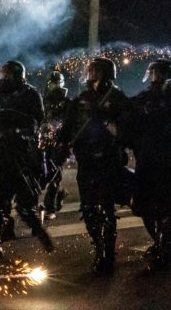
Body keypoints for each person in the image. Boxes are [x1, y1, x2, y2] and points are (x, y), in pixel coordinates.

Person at [59, 57, 131, 274]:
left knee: (106, 208)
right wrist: (61, 144)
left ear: (106, 73)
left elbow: (125, 131)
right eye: (91, 70)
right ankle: (99, 248)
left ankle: (108, 254)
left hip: (108, 158)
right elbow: (69, 125)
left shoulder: (117, 98)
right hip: (86, 159)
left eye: (96, 71)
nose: (92, 74)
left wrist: (106, 119)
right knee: (89, 209)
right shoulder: (81, 99)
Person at [0, 106, 54, 263]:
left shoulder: (3, 115)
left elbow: (32, 123)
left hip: (16, 169)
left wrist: (15, 133)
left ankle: (40, 233)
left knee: (25, 208)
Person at [0, 60, 44, 238]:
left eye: (7, 75)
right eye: (2, 74)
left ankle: (36, 225)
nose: (3, 78)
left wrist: (19, 129)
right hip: (1, 147)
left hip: (23, 149)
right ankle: (6, 227)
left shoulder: (30, 94)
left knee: (25, 193)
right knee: (0, 193)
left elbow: (37, 119)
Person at [131, 59, 171, 270]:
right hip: (148, 157)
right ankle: (161, 242)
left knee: (164, 205)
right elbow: (130, 118)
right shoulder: (144, 97)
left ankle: (165, 245)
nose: (154, 75)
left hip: (163, 157)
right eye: (153, 71)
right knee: (146, 205)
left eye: (157, 72)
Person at [40, 71, 71, 220]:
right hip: (44, 141)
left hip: (59, 142)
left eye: (56, 83)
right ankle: (58, 195)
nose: (53, 85)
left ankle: (50, 207)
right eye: (51, 82)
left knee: (54, 174)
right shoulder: (43, 100)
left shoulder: (67, 102)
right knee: (44, 174)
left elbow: (69, 122)